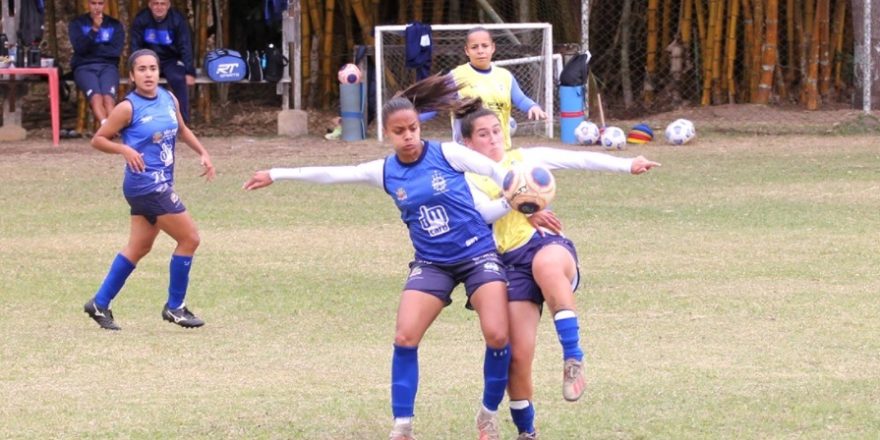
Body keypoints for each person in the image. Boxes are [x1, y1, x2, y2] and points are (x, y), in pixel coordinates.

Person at [243, 75, 512, 440]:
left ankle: (487, 415)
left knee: (497, 335)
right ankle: (402, 427)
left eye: (413, 128)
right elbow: (332, 174)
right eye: (399, 131)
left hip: (477, 253)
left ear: (420, 126)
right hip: (432, 263)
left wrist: (515, 187)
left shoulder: (447, 153)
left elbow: (495, 169)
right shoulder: (384, 171)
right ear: (387, 134)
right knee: (404, 337)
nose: (409, 136)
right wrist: (277, 173)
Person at [459, 107, 659, 439]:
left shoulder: (525, 158)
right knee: (518, 356)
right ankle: (527, 432)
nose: (494, 138)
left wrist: (627, 165)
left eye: (497, 130)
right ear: (467, 143)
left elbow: (577, 160)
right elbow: (481, 215)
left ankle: (573, 357)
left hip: (543, 245)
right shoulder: (466, 179)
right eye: (483, 134)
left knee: (547, 266)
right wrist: (520, 204)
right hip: (508, 264)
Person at [83, 49, 216, 331]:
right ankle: (175, 307)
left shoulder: (169, 98)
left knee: (139, 246)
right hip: (145, 184)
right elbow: (98, 139)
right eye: (141, 69)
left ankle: (99, 302)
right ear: (131, 76)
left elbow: (182, 128)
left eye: (153, 68)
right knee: (190, 238)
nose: (148, 74)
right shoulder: (127, 107)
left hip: (161, 182)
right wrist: (124, 149)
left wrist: (203, 152)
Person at [450, 26, 548, 150]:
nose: (480, 51)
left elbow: (520, 99)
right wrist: (418, 117)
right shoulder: (456, 76)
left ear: (493, 48)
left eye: (485, 46)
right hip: (468, 152)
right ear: (466, 50)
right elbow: (435, 104)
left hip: (500, 149)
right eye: (474, 47)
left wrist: (533, 106)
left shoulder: (505, 76)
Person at [130, 0, 195, 122]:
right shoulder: (141, 18)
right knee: (141, 82)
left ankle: (182, 123)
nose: (159, 7)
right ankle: (140, 121)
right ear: (150, 5)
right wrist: (134, 69)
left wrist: (189, 71)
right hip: (148, 59)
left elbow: (185, 46)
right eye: (155, 3)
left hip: (171, 60)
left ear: (168, 5)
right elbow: (135, 46)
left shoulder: (177, 19)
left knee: (178, 79)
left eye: (162, 3)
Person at [68, 0, 125, 126]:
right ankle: (107, 127)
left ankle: (111, 128)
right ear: (88, 4)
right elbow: (80, 48)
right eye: (94, 3)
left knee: (108, 99)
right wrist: (94, 29)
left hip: (108, 67)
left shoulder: (115, 25)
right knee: (96, 98)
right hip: (84, 67)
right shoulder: (77, 24)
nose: (97, 7)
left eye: (100, 3)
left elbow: (115, 51)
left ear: (105, 5)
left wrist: (91, 48)